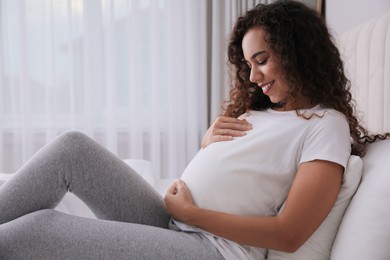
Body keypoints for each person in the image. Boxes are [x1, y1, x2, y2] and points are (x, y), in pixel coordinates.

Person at [0, 1, 389, 259]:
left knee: (35, 230)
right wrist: (207, 148)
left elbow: (289, 234)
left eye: (263, 60)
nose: (253, 77)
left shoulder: (327, 126)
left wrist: (192, 213)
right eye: (248, 65)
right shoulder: (263, 111)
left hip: (211, 248)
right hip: (176, 221)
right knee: (72, 149)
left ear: (297, 53)